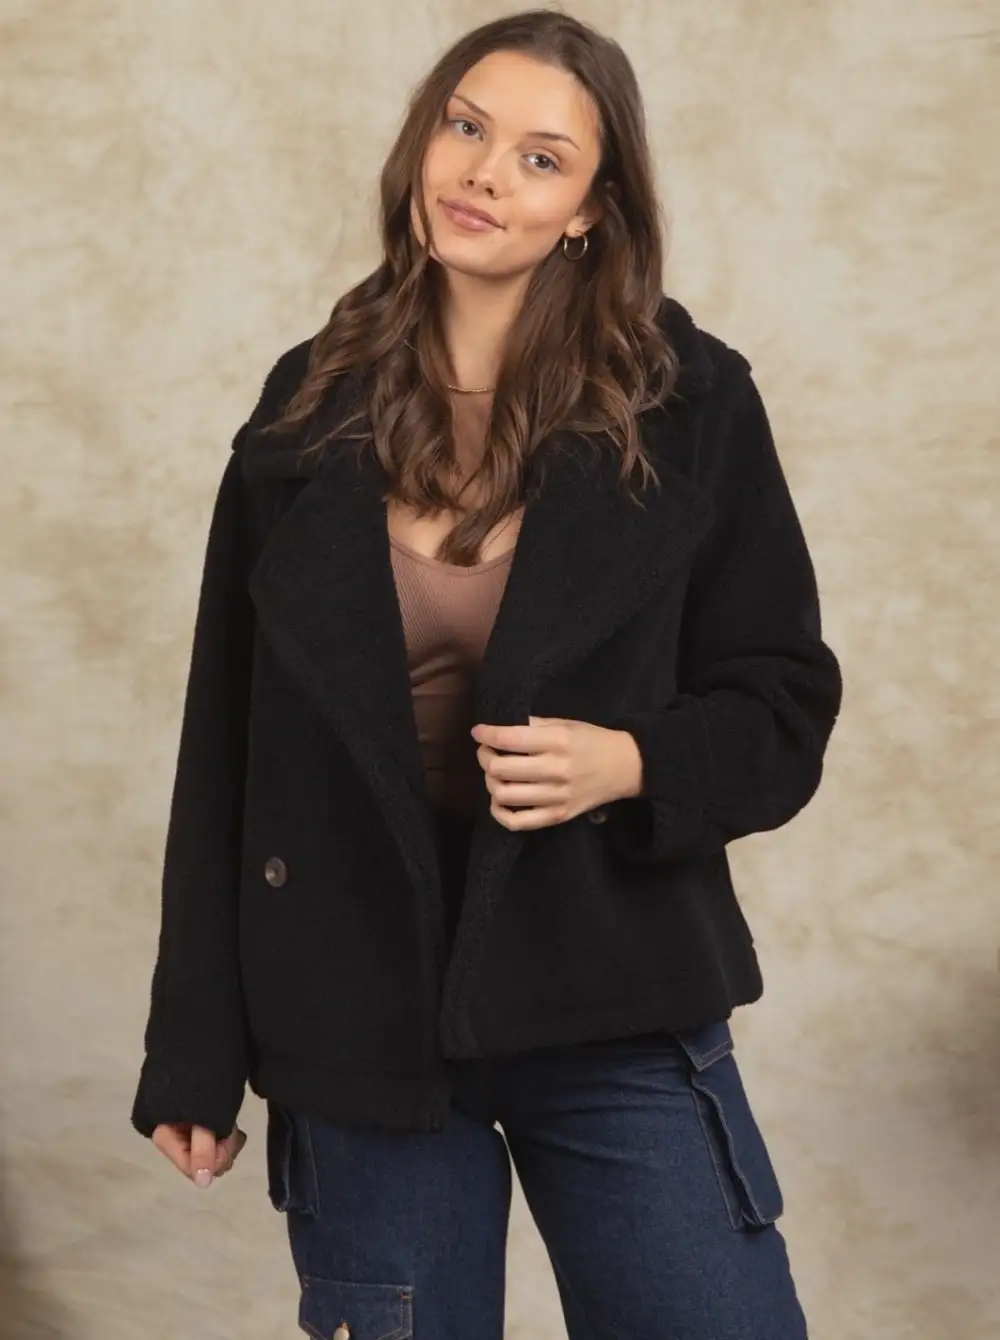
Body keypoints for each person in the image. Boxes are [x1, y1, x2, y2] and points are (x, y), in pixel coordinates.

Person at [131, 10, 842, 1338]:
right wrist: (195, 1047)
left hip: (609, 980)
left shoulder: (691, 403)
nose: (483, 173)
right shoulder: (303, 407)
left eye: (540, 157)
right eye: (466, 126)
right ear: (423, 140)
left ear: (591, 209)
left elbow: (783, 701)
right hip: (358, 1009)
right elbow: (226, 745)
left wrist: (629, 762)